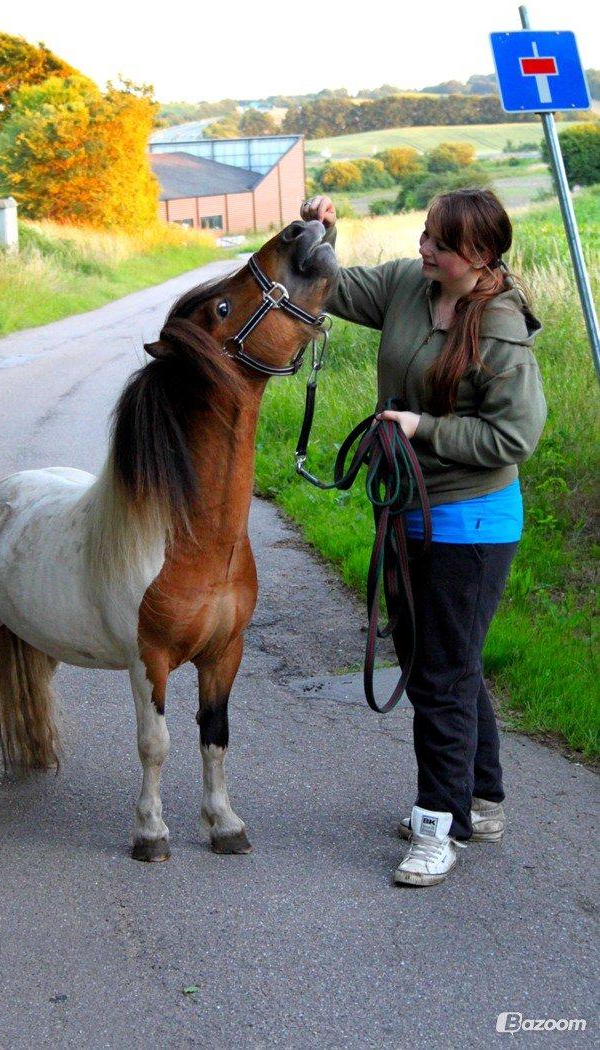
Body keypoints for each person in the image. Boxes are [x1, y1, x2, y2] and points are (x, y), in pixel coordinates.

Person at [300, 188, 546, 887]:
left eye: (441, 242)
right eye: (426, 234)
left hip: (472, 517)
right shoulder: (411, 285)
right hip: (408, 504)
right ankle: (484, 795)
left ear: (481, 256)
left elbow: (514, 435)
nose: (424, 248)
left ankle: (439, 827)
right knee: (440, 657)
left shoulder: (500, 325)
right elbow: (331, 288)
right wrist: (318, 236)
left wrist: (421, 427)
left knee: (439, 674)